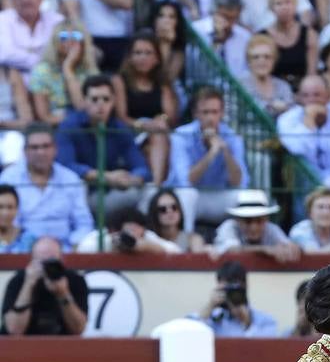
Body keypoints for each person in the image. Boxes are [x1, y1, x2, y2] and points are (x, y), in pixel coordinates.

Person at [54, 74, 149, 224]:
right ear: (84, 101)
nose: (100, 104)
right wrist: (106, 177)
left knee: (151, 192)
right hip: (81, 195)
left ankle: (140, 237)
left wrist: (131, 179)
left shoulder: (119, 128)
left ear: (113, 101)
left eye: (106, 99)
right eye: (94, 99)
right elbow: (66, 166)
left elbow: (141, 167)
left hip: (113, 193)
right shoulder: (69, 126)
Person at [0, 125, 93, 249]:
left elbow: (84, 223)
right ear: (25, 151)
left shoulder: (70, 178)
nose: (41, 152)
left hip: (66, 248)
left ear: (55, 149)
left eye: (46, 146)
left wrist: (73, 243)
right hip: (20, 247)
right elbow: (6, 221)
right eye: (34, 147)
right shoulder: (9, 178)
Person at [168, 86, 247, 230]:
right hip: (190, 198)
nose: (210, 118)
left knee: (247, 197)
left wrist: (225, 152)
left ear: (221, 113)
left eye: (215, 112)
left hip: (219, 197)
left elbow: (239, 182)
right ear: (196, 114)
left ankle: (238, 242)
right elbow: (186, 181)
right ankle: (187, 242)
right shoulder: (180, 135)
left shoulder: (233, 138)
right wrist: (211, 153)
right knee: (187, 194)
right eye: (205, 112)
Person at [113, 31, 178, 186]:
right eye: (138, 53)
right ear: (129, 57)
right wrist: (144, 125)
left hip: (156, 135)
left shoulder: (162, 83)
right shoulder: (119, 81)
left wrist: (160, 120)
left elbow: (170, 115)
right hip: (129, 132)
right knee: (158, 137)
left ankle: (154, 187)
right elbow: (120, 116)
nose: (143, 57)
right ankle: (157, 188)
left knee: (157, 140)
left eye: (148, 53)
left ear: (156, 58)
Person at [1, 236, 86, 335]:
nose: (46, 268)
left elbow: (78, 329)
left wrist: (63, 293)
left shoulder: (74, 280)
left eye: (51, 262)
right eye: (41, 262)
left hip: (62, 345)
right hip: (24, 345)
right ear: (32, 262)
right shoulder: (18, 281)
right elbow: (14, 331)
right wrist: (28, 285)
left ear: (62, 260)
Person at [278, 75, 330, 180]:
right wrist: (309, 119)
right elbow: (299, 150)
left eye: (317, 95)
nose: (311, 100)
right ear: (299, 98)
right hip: (304, 182)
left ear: (328, 95)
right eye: (305, 96)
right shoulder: (287, 119)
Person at [29, 21, 99, 127]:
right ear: (55, 42)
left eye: (76, 36)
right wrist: (72, 122)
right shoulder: (42, 71)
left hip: (86, 126)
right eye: (64, 36)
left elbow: (82, 107)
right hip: (56, 128)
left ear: (84, 42)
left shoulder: (90, 70)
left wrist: (67, 68)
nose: (70, 41)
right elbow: (44, 117)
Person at [189, 260, 279, 337]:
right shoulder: (213, 319)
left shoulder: (265, 322)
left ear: (245, 287)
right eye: (226, 290)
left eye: (234, 290)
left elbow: (264, 351)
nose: (230, 294)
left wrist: (247, 324)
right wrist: (210, 306)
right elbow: (187, 335)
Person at [211, 189, 302, 261]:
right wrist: (264, 249)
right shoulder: (229, 226)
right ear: (238, 220)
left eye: (259, 221)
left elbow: (287, 246)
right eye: (248, 221)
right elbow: (232, 250)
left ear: (266, 219)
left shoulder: (271, 228)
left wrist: (291, 248)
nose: (254, 227)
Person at [0, 0, 61, 76]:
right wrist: (43, 62)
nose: (24, 0)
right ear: (12, 0)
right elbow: (5, 53)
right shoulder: (3, 19)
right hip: (13, 82)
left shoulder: (56, 20)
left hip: (52, 81)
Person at [147, 186, 206, 253]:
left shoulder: (192, 239)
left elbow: (198, 255)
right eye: (163, 209)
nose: (170, 211)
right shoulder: (148, 240)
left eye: (174, 207)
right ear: (154, 213)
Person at [0, 183, 35, 253]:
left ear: (17, 209)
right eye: (0, 207)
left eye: (10, 207)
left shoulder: (28, 239)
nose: (5, 213)